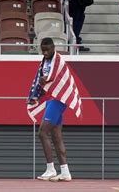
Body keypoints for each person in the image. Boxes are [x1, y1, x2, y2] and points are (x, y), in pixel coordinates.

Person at [27, 38, 82, 182]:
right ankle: (65, 172)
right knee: (56, 137)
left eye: (47, 50)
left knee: (42, 133)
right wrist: (34, 95)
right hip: (52, 99)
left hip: (59, 99)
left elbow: (50, 77)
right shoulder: (44, 62)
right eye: (42, 50)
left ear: (53, 48)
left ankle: (50, 169)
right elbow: (39, 79)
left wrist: (44, 80)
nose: (45, 53)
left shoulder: (58, 59)